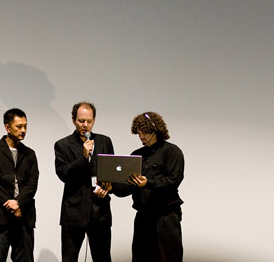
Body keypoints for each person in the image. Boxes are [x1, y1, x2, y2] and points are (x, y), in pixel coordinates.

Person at [116, 111, 184, 262]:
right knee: (141, 257)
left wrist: (149, 182)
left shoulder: (172, 151)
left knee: (168, 258)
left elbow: (174, 180)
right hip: (143, 216)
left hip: (165, 216)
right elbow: (128, 186)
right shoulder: (137, 155)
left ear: (156, 130)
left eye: (144, 132)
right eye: (138, 133)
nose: (141, 137)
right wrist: (111, 187)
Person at [54, 101, 114, 262]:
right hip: (73, 214)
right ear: (73, 120)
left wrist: (108, 187)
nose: (85, 125)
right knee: (70, 259)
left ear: (94, 121)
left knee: (103, 258)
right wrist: (83, 157)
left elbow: (111, 172)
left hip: (100, 212)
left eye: (89, 121)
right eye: (81, 121)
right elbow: (63, 174)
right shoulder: (62, 145)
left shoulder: (104, 142)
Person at [0, 108, 39, 262]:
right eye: (19, 126)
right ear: (7, 127)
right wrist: (10, 204)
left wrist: (18, 202)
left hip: (24, 216)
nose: (23, 130)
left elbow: (32, 183)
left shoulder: (29, 153)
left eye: (25, 126)